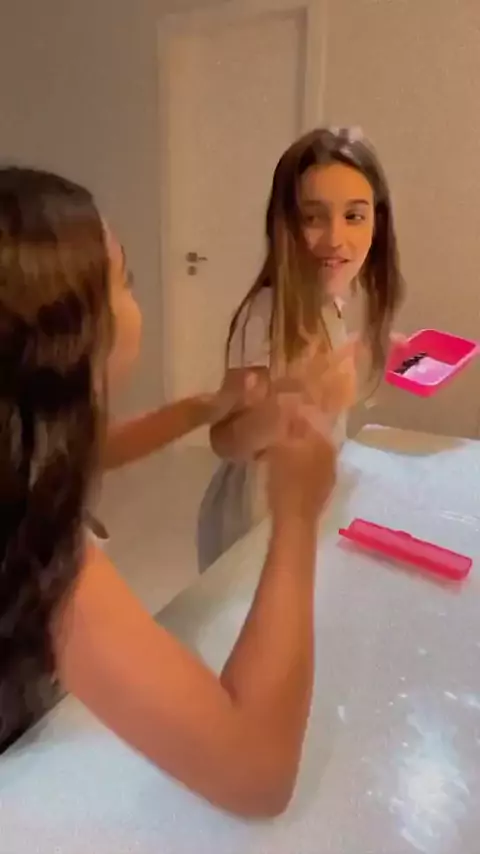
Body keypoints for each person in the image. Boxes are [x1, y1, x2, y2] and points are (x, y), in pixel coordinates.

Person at [0, 166, 339, 818]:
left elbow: (89, 453)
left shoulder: (19, 456)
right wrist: (296, 515)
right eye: (125, 280)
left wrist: (203, 407)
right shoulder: (36, 553)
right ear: (74, 335)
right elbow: (255, 772)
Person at [198, 126, 405, 570]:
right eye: (313, 217)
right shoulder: (268, 314)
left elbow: (312, 361)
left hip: (302, 502)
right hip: (258, 520)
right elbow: (226, 439)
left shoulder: (327, 298)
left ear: (377, 221)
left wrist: (365, 346)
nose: (335, 238)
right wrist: (300, 405)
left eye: (354, 216)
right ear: (286, 224)